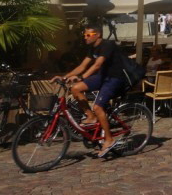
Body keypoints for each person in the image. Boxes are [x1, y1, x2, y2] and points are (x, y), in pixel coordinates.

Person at [53, 25, 124, 157]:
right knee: (76, 88)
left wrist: (81, 77)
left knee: (97, 107)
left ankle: (109, 140)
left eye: (88, 35)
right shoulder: (92, 48)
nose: (85, 37)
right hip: (102, 77)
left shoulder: (107, 45)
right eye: (84, 35)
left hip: (114, 78)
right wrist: (65, 77)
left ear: (97, 35)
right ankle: (90, 117)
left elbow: (97, 64)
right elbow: (82, 66)